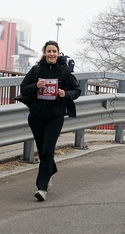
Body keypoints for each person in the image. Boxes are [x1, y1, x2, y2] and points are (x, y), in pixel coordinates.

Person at [20, 40, 81, 201]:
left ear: (58, 53)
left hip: (55, 116)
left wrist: (64, 94)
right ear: (44, 53)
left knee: (47, 150)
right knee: (42, 151)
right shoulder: (37, 69)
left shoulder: (64, 72)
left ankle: (42, 187)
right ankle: (49, 172)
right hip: (36, 116)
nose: (52, 54)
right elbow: (23, 88)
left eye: (54, 51)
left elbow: (77, 90)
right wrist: (36, 86)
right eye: (49, 51)